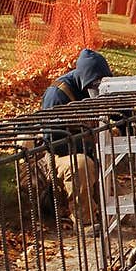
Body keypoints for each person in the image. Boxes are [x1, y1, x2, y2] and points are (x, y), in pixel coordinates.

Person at [40, 48, 113, 227]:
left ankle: (107, 210)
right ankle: (84, 221)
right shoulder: (57, 95)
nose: (97, 88)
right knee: (81, 164)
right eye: (94, 84)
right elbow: (53, 142)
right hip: (58, 154)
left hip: (88, 147)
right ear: (84, 80)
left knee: (112, 142)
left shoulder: (95, 90)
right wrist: (88, 146)